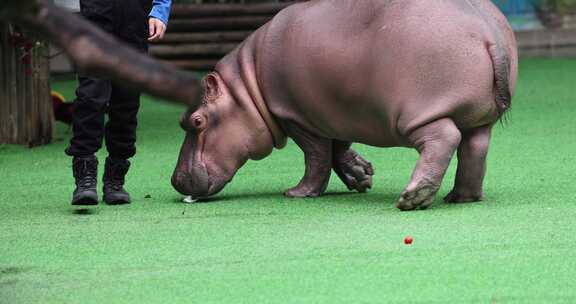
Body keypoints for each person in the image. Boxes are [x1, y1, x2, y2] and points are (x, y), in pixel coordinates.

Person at [67, 0, 172, 205]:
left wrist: (160, 11)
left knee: (127, 101)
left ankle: (115, 180)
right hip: (94, 18)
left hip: (135, 20)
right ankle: (85, 179)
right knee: (90, 96)